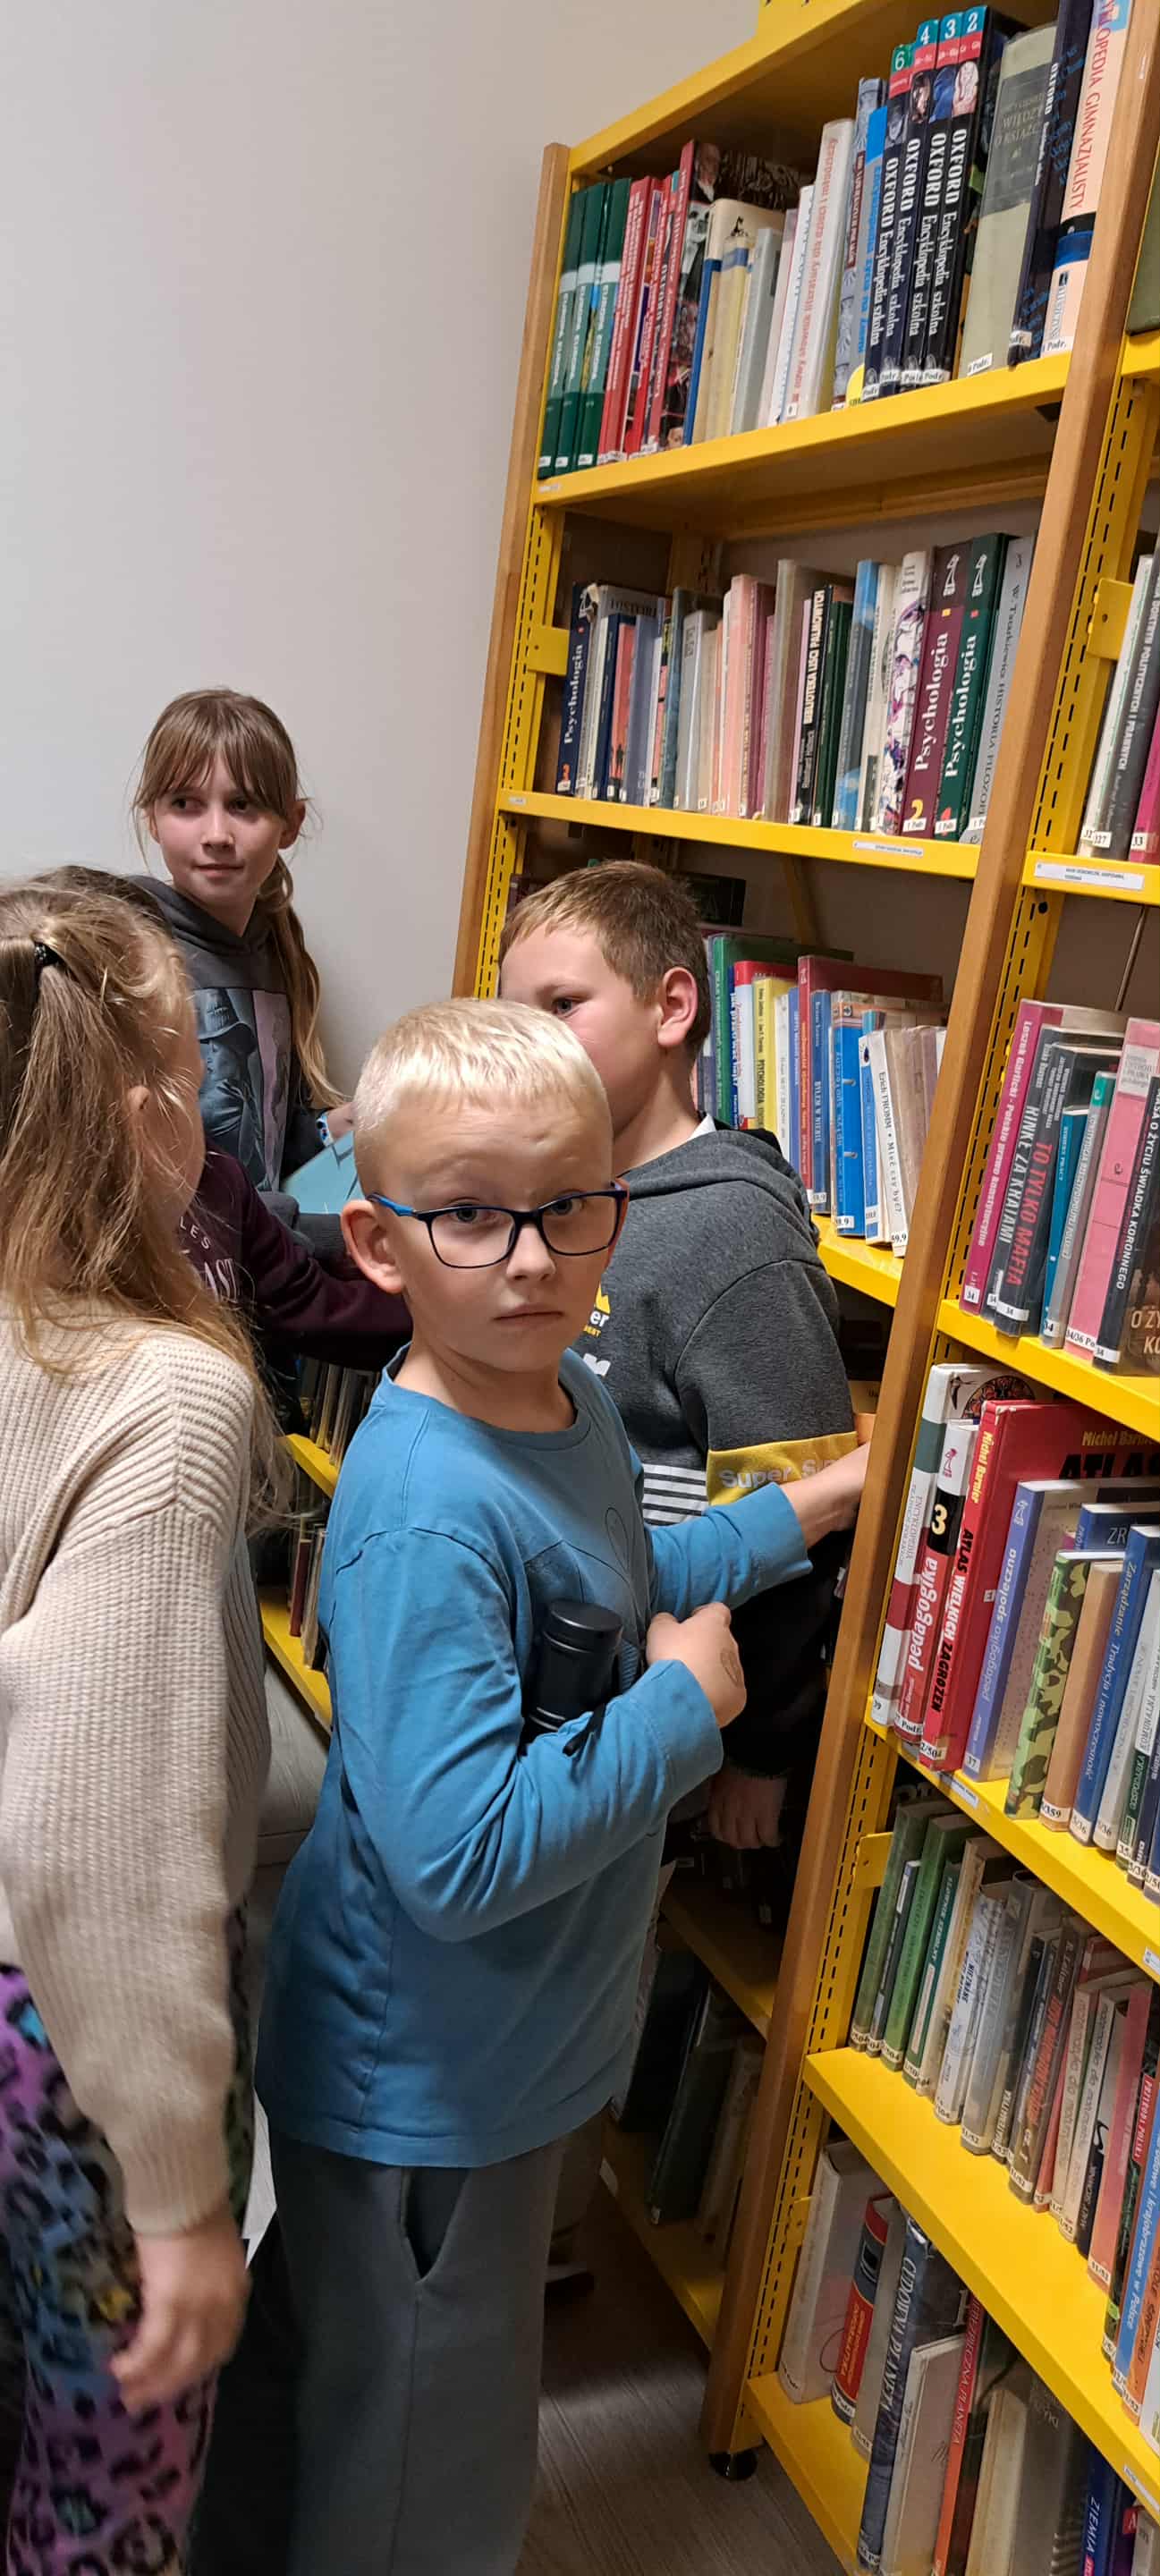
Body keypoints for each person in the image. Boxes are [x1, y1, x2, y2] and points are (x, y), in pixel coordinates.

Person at [255, 997, 867, 2576]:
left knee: (362, 2407)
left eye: (567, 1208)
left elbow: (617, 1578)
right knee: (421, 2484)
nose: (530, 1260)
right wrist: (682, 1712)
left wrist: (809, 1506)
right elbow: (457, 1855)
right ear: (380, 1247)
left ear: (618, 1209)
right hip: (426, 2088)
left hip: (495, 2059)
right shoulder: (428, 1511)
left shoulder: (560, 1397)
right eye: (470, 1216)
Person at [0, 878, 275, 2572]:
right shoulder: (164, 1396)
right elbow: (95, 1840)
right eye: (198, 1078)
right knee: (103, 2496)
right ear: (144, 1108)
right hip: (60, 2043)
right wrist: (175, 2193)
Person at [499, 861, 856, 1868]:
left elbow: (794, 1521)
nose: (533, 1043)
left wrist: (762, 1749)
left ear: (671, 1007)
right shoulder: (553, 1193)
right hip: (552, 1707)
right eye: (515, 1016)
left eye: (562, 1006)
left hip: (658, 1722)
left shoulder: (732, 1236)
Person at [132, 687, 351, 1255]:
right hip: (180, 1269)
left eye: (243, 805)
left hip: (266, 1262)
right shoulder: (130, 948)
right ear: (151, 816)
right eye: (185, 803)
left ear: (291, 823)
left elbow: (263, 1139)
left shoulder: (279, 950)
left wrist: (333, 1130)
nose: (216, 835)